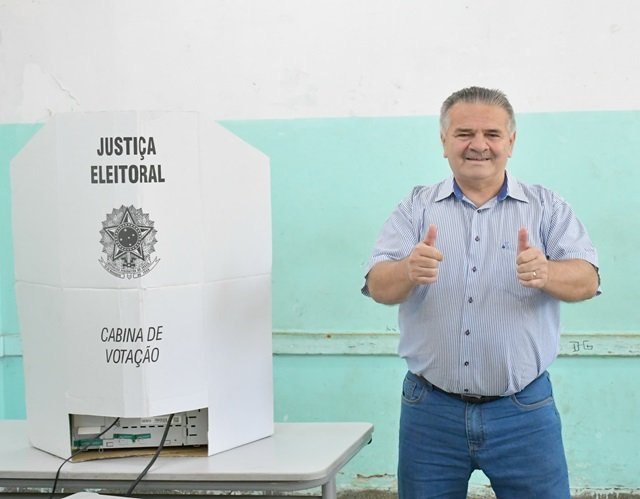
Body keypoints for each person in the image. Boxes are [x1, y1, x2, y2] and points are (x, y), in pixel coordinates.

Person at [362, 86, 600, 498]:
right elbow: (378, 285)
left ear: (511, 142)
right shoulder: (415, 207)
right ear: (444, 142)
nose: (478, 145)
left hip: (524, 412)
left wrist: (548, 272)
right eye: (463, 133)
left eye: (491, 134)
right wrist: (407, 270)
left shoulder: (547, 207)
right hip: (430, 412)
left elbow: (588, 280)